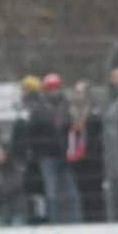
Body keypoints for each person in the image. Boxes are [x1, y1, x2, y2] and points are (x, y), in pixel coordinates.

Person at [30, 73, 79, 224]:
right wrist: (39, 152)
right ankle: (54, 223)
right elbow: (33, 134)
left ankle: (75, 221)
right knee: (51, 193)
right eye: (51, 88)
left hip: (65, 156)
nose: (54, 91)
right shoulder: (39, 109)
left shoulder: (67, 106)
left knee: (71, 192)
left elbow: (73, 128)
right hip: (47, 156)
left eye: (56, 88)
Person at [69, 80, 106, 223]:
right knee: (82, 194)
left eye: (82, 92)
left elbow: (98, 134)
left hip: (93, 160)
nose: (80, 95)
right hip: (78, 161)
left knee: (95, 193)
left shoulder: (94, 112)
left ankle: (98, 220)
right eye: (77, 92)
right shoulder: (71, 112)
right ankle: (86, 220)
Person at [0, 142, 26, 226]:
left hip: (16, 208)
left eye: (0, 154)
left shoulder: (15, 166)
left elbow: (16, 184)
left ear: (6, 154)